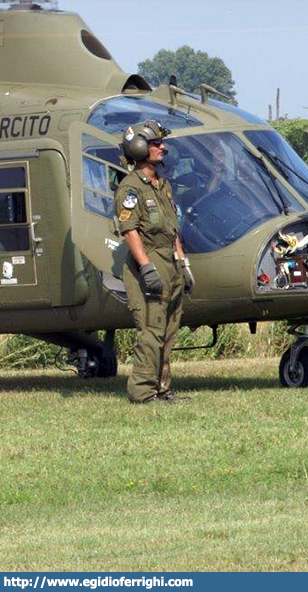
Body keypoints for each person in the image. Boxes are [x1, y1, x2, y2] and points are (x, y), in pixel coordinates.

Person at [113, 119, 196, 404]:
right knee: (151, 329)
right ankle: (142, 391)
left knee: (168, 331)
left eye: (161, 142)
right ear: (139, 147)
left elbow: (172, 230)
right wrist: (146, 267)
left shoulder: (162, 185)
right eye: (155, 143)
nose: (162, 147)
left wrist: (183, 265)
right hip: (148, 261)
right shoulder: (130, 189)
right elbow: (130, 231)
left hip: (169, 262)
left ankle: (162, 389)